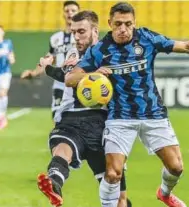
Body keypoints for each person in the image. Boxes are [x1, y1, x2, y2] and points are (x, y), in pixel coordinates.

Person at [65, 2, 189, 207]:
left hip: (153, 114)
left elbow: (187, 46)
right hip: (120, 117)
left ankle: (164, 193)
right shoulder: (100, 50)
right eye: (118, 24)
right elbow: (71, 78)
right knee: (112, 173)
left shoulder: (146, 38)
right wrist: (94, 73)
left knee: (176, 167)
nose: (123, 29)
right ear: (110, 23)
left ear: (134, 23)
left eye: (128, 24)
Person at [37, 11, 131, 207]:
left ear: (95, 31)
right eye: (73, 32)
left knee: (118, 197)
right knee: (62, 148)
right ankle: (55, 182)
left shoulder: (110, 54)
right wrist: (47, 68)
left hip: (103, 125)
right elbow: (66, 77)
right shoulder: (73, 53)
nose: (76, 37)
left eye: (81, 31)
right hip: (71, 119)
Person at [20, 1, 80, 118]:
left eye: (73, 11)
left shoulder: (82, 35)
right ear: (63, 14)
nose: (70, 13)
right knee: (57, 118)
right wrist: (33, 73)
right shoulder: (55, 38)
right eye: (67, 11)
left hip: (76, 82)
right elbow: (49, 60)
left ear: (78, 13)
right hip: (59, 84)